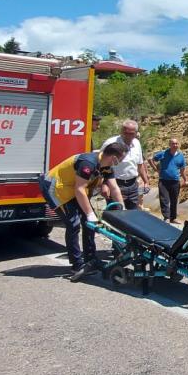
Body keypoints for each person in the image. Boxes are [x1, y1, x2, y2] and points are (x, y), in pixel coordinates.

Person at [42, 142, 126, 282]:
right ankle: (77, 265)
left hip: (73, 189)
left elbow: (115, 188)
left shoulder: (106, 167)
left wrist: (123, 210)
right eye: (121, 159)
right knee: (73, 224)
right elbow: (80, 189)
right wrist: (90, 213)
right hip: (57, 188)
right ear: (113, 158)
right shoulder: (88, 163)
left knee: (90, 224)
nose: (121, 162)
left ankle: (90, 259)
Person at [101, 119, 149, 210]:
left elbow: (140, 164)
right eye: (126, 133)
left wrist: (146, 181)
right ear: (121, 131)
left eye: (131, 133)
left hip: (133, 185)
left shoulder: (137, 143)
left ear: (136, 133)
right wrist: (104, 184)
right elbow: (102, 164)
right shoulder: (111, 143)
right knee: (116, 213)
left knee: (133, 214)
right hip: (115, 183)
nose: (128, 136)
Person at [150, 138, 188, 224]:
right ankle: (166, 217)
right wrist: (156, 169)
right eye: (173, 144)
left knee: (174, 200)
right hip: (163, 181)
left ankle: (173, 218)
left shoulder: (180, 156)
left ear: (178, 145)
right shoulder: (163, 153)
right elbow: (151, 159)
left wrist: (185, 180)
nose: (175, 145)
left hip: (175, 181)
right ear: (169, 145)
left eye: (176, 144)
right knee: (164, 199)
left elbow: (182, 170)